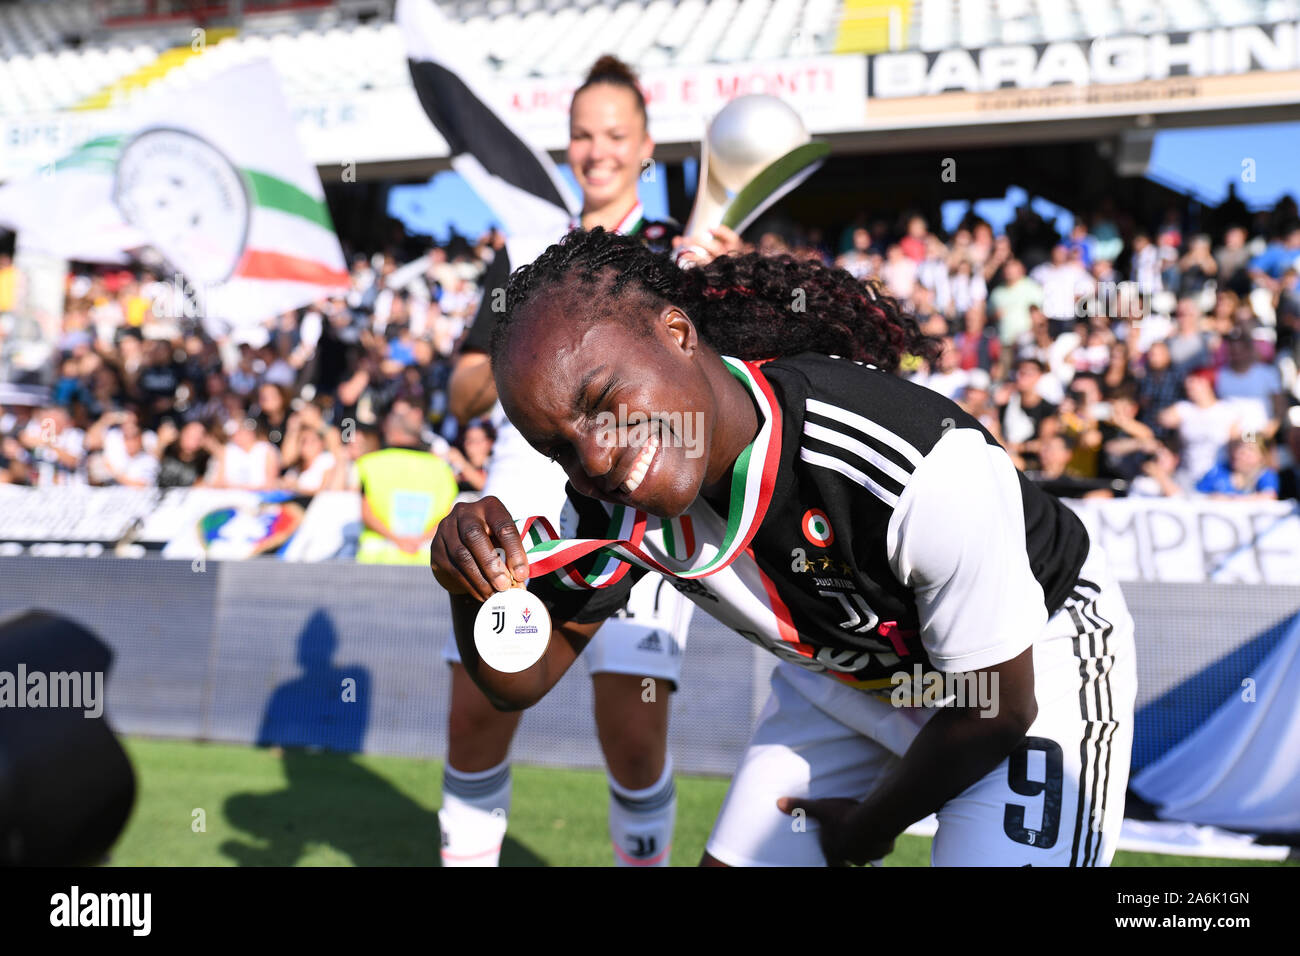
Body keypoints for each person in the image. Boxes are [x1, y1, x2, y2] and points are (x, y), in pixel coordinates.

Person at [431, 227, 1138, 867]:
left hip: (1029, 666)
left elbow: (998, 708)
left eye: (602, 398)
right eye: (560, 448)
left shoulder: (908, 461)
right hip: (851, 681)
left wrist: (869, 826)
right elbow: (519, 679)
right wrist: (470, 585)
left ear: (677, 332)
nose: (595, 457)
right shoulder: (609, 499)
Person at [437, 55, 702, 868]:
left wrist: (713, 284)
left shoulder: (681, 254)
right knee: (481, 710)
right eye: (583, 134)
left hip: (643, 512)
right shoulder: (525, 253)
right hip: (522, 499)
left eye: (616, 135)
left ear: (646, 146)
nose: (598, 150)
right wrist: (504, 374)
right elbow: (464, 388)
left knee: (630, 733)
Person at [356, 408, 458, 564]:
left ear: (391, 432)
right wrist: (419, 540)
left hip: (377, 560)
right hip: (428, 561)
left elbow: (366, 513)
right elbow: (449, 514)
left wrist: (397, 540)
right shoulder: (442, 468)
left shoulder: (369, 463)